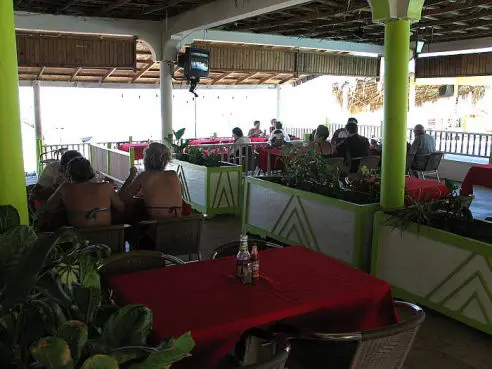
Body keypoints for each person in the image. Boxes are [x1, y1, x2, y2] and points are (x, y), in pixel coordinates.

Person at [46, 157, 125, 228]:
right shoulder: (106, 187)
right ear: (90, 171)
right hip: (108, 237)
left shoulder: (65, 187)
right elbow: (121, 208)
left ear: (69, 173)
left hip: (78, 239)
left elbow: (49, 207)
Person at [119, 142, 182, 220]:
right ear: (166, 160)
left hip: (156, 225)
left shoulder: (144, 176)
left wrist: (131, 175)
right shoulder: (173, 174)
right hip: (178, 222)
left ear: (147, 159)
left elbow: (123, 197)